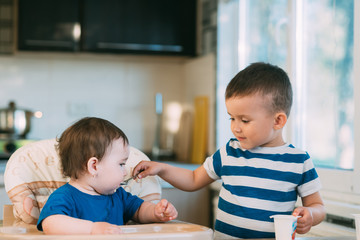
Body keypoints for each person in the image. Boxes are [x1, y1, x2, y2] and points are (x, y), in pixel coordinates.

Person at [133, 62, 326, 239]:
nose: (236, 127)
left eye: (245, 120)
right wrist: (162, 169)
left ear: (278, 120)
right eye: (231, 118)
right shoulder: (229, 152)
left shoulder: (299, 161)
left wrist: (310, 215)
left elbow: (317, 206)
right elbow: (193, 180)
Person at [37, 117, 178, 235]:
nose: (125, 171)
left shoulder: (119, 195)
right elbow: (51, 223)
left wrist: (156, 212)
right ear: (94, 166)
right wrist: (92, 229)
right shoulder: (65, 196)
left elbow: (140, 210)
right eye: (121, 164)